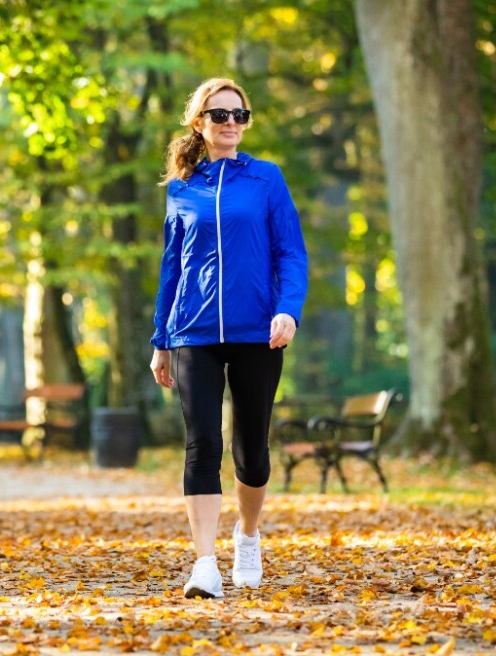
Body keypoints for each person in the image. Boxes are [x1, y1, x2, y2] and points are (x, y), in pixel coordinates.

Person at [150, 77, 308, 599]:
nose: (232, 124)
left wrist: (288, 311)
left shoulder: (266, 179)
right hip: (192, 331)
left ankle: (248, 535)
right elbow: (171, 268)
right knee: (201, 445)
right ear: (200, 122)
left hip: (256, 332)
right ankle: (204, 565)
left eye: (241, 115)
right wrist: (160, 338)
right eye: (221, 116)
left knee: (251, 451)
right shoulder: (182, 188)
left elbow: (291, 253)